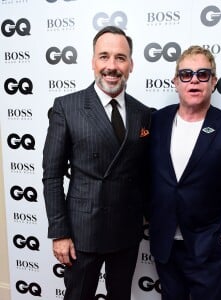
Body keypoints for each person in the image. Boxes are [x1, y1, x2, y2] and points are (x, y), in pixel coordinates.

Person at [42, 25, 152, 300]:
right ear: (92, 62)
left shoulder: (144, 114)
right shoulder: (67, 107)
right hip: (82, 234)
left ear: (131, 65)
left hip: (126, 232)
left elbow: (145, 173)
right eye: (104, 56)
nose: (112, 66)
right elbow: (53, 175)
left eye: (120, 57)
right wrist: (59, 233)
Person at [149, 45, 221, 300]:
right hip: (165, 245)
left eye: (203, 74)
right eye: (186, 74)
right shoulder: (156, 122)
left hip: (207, 246)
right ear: (176, 81)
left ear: (213, 81)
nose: (194, 80)